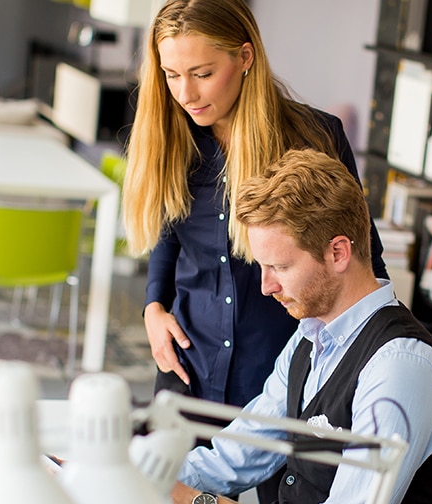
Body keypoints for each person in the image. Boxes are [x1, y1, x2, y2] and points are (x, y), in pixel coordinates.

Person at [169, 149, 432, 504]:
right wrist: (146, 478)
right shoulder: (312, 336)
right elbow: (242, 450)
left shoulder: (399, 369)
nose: (267, 286)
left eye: (280, 267)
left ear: (338, 252)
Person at [121, 0, 387, 411]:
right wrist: (153, 308)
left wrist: (380, 357)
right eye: (171, 75)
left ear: (245, 57)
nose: (186, 94)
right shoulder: (175, 137)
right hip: (187, 367)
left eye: (203, 74)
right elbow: (169, 233)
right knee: (172, 475)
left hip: (279, 379)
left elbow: (362, 257)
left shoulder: (314, 137)